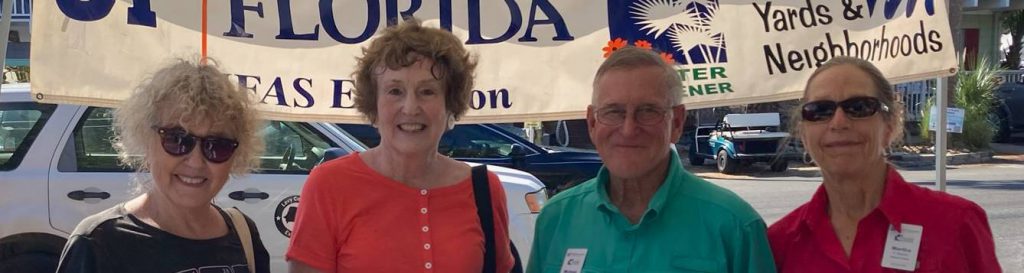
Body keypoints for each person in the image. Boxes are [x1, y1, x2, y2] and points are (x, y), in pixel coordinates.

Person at [286, 18, 515, 273]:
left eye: (427, 91)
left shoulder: (484, 189)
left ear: (450, 105)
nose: (410, 108)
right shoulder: (329, 185)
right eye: (395, 91)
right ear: (374, 105)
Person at [526, 46, 776, 273]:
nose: (628, 129)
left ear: (677, 123)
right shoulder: (556, 219)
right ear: (592, 122)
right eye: (614, 112)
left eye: (648, 111)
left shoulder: (735, 227)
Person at [767, 56, 1002, 273]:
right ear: (803, 133)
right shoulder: (780, 243)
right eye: (819, 111)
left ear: (890, 125)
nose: (838, 122)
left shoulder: (957, 223)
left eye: (859, 107)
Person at [54, 59, 270, 272]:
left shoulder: (244, 234)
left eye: (217, 146)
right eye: (177, 140)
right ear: (147, 141)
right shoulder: (98, 244)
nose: (195, 162)